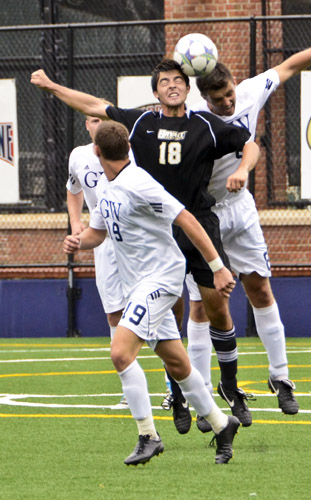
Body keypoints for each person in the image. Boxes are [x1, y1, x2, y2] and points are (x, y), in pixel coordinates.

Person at [31, 59, 258, 432]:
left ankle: (230, 388)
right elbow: (92, 105)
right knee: (172, 315)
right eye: (164, 81)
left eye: (178, 81)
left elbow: (249, 145)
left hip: (197, 220)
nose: (172, 85)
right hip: (158, 234)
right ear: (155, 92)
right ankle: (182, 400)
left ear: (187, 90)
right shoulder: (142, 123)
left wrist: (242, 170)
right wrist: (52, 87)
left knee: (217, 308)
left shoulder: (205, 125)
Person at [176, 32, 311, 420]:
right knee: (201, 306)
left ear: (234, 85)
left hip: (241, 209)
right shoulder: (195, 120)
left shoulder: (250, 91)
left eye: (229, 94)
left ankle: (280, 378)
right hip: (205, 215)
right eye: (219, 100)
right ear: (205, 98)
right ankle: (200, 394)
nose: (228, 103)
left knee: (260, 288)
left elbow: (293, 63)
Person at [63, 120, 240, 465]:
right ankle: (222, 424)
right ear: (128, 147)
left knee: (120, 353)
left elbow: (187, 219)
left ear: (96, 151)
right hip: (139, 283)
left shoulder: (139, 184)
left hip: (160, 279)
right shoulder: (108, 187)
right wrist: (77, 240)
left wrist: (218, 267)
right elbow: (97, 234)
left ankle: (148, 435)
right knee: (177, 362)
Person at [67, 112, 128, 408]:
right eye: (92, 120)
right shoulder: (78, 156)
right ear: (86, 126)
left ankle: (175, 388)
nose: (97, 124)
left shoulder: (131, 155)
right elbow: (73, 190)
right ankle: (128, 390)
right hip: (103, 241)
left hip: (136, 241)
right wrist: (76, 222)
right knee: (114, 313)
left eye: (102, 118)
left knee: (157, 312)